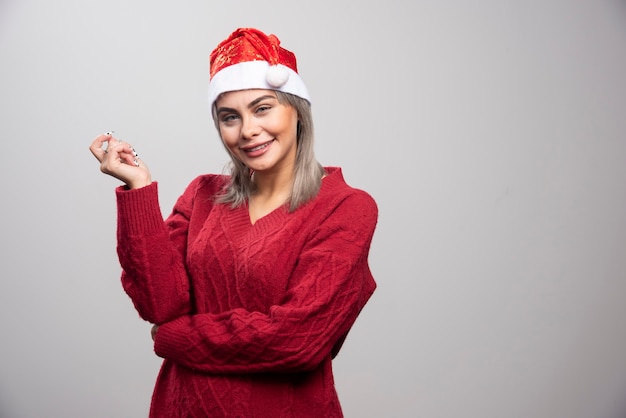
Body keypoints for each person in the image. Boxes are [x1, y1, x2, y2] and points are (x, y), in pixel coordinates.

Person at [89, 27, 378, 418]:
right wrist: (138, 189)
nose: (247, 131)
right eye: (230, 117)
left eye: (263, 108)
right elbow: (160, 303)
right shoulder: (202, 195)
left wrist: (179, 338)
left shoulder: (346, 207)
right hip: (184, 407)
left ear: (297, 110)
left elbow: (298, 340)